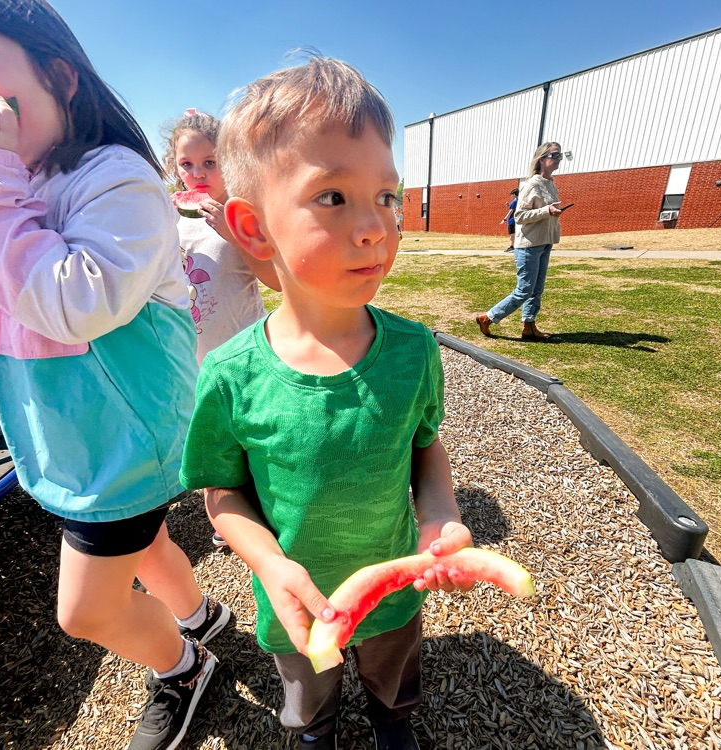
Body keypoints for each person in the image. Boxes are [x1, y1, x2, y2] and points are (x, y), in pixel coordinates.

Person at [179, 56, 475, 750]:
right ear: (254, 230)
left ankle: (391, 720)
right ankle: (314, 728)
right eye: (334, 198)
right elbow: (222, 494)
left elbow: (425, 447)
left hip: (395, 592)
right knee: (309, 694)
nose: (375, 226)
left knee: (395, 678)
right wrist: (270, 565)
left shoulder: (413, 352)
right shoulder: (230, 375)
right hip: (294, 604)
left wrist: (441, 515)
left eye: (387, 197)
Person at [0, 3, 229, 750]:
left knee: (84, 612)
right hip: (75, 441)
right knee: (148, 545)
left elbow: (73, 304)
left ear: (58, 76)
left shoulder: (114, 178)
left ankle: (185, 666)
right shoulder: (10, 185)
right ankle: (200, 616)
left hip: (122, 443)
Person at [163, 108, 280, 366]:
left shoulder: (245, 213)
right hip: (188, 358)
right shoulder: (169, 216)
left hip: (243, 354)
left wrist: (233, 235)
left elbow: (277, 281)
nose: (198, 174)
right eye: (186, 165)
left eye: (209, 162)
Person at [475, 142, 564, 340]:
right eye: (555, 155)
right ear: (542, 159)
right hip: (528, 245)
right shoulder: (532, 184)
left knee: (537, 289)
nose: (559, 159)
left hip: (544, 242)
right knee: (524, 290)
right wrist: (546, 210)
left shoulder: (551, 184)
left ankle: (529, 326)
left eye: (561, 155)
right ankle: (488, 317)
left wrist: (552, 213)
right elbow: (520, 215)